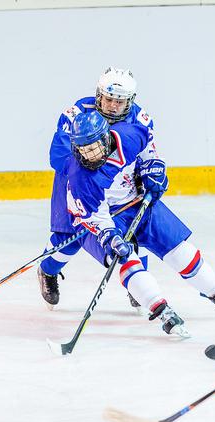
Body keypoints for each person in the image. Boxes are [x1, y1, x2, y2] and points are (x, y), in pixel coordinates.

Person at [64, 111, 215, 337]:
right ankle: (160, 309)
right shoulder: (80, 177)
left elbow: (148, 150)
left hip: (138, 201)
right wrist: (110, 236)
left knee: (181, 251)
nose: (89, 155)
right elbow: (93, 216)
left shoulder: (129, 136)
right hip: (103, 218)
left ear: (105, 138)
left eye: (94, 147)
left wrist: (153, 168)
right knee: (127, 260)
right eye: (84, 150)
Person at [37, 67, 155, 313]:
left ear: (130, 101)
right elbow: (58, 156)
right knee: (69, 240)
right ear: (99, 95)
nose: (112, 106)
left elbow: (148, 153)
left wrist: (150, 172)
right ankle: (47, 271)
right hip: (77, 181)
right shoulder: (77, 112)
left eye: (119, 101)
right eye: (109, 99)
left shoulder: (140, 119)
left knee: (134, 233)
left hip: (123, 185)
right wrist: (90, 171)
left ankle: (138, 286)